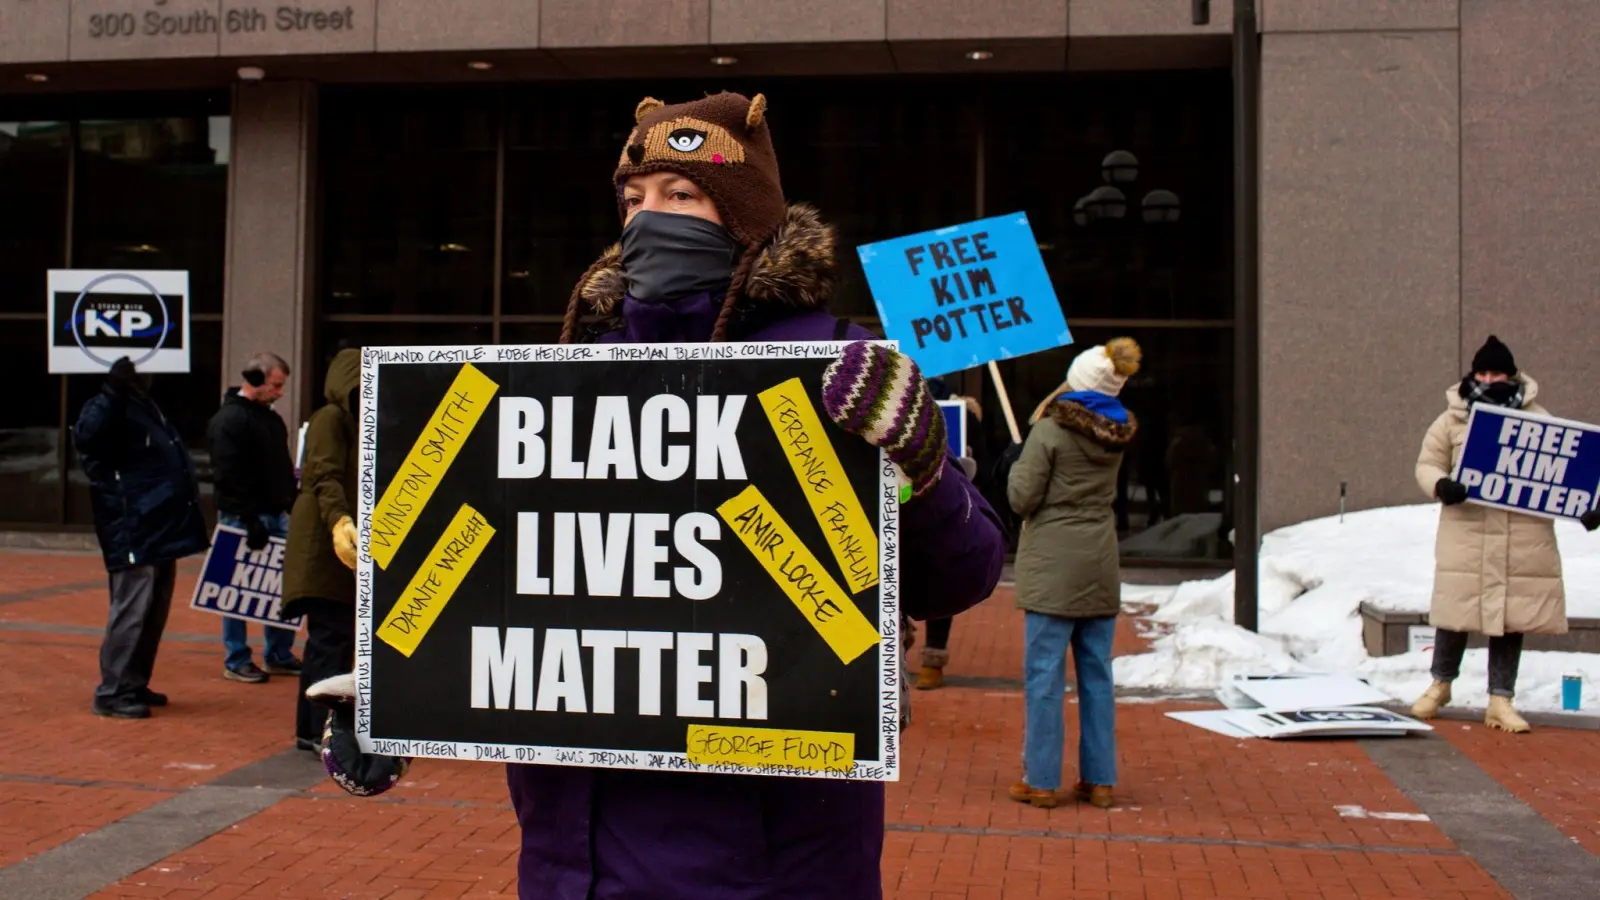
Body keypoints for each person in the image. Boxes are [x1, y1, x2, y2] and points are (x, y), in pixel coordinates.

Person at [313, 91, 1008, 899]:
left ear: (745, 216)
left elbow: (964, 575)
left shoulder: (835, 368)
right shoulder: (568, 374)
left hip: (768, 866)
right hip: (567, 859)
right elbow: (522, 577)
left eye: (681, 196)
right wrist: (405, 682)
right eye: (634, 199)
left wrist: (922, 469)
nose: (650, 219)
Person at [1411, 336, 1600, 732]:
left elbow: (1568, 471)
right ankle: (1440, 684)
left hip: (1522, 539)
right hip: (1467, 534)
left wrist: (1588, 506)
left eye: (1496, 372)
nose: (1488, 378)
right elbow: (1428, 464)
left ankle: (1501, 698)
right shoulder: (1451, 421)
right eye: (1482, 372)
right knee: (1454, 613)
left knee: (1511, 620)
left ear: (1511, 376)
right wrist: (1442, 485)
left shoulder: (1541, 422)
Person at [1007, 338, 1142, 810]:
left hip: (1052, 566)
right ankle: (1100, 779)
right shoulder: (1117, 431)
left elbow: (1022, 498)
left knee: (1044, 676)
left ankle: (1041, 778)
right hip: (1099, 562)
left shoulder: (1049, 433)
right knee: (1096, 676)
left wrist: (1016, 461)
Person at [74, 356, 209, 719]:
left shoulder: (143, 406)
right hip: (133, 525)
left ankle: (132, 681)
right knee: (131, 610)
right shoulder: (108, 407)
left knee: (153, 611)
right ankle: (112, 690)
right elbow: (88, 436)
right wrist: (111, 391)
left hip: (159, 526)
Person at [282, 346, 363, 753]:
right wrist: (340, 523)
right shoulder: (332, 419)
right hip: (322, 552)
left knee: (335, 640)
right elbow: (324, 477)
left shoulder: (352, 421)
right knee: (328, 641)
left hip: (332, 551)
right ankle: (314, 729)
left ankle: (314, 728)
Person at [207, 351, 301, 684]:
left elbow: (280, 466)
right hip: (244, 516)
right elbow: (227, 476)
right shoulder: (231, 420)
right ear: (256, 380)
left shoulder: (267, 419)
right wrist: (249, 519)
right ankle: (237, 657)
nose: (279, 392)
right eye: (275, 385)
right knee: (238, 589)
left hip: (273, 513)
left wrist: (291, 500)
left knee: (277, 587)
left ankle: (277, 652)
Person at [916, 379, 989, 691]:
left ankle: (933, 659)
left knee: (937, 580)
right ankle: (893, 658)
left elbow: (979, 465)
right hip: (900, 505)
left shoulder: (956, 411)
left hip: (941, 507)